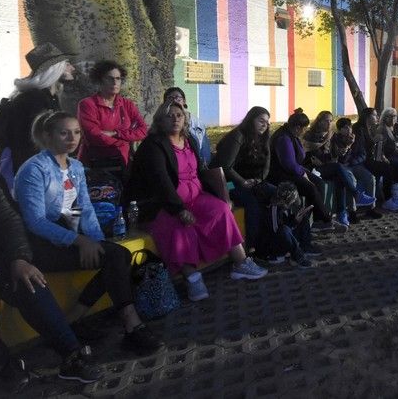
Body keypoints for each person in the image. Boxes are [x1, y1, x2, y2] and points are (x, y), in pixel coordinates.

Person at [14, 111, 163, 351]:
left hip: (69, 237)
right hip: (39, 244)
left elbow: (85, 209)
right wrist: (80, 241)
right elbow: (35, 221)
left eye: (76, 133)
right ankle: (131, 325)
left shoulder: (75, 166)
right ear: (47, 136)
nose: (72, 138)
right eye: (64, 133)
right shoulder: (34, 170)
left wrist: (96, 242)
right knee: (116, 257)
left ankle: (77, 318)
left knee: (117, 255)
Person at [0, 156, 102, 390]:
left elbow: (8, 219)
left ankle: (71, 355)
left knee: (28, 278)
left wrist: (19, 258)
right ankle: (3, 365)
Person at [126, 101, 267, 303]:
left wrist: (223, 196)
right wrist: (179, 209)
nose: (175, 119)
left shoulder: (189, 139)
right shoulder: (153, 145)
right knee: (180, 225)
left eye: (179, 115)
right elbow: (161, 182)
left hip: (194, 197)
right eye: (169, 116)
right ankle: (192, 278)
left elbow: (202, 171)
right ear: (159, 120)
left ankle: (241, 262)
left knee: (220, 210)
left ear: (185, 119)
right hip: (161, 203)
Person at [0, 42, 76, 191]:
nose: (72, 68)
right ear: (55, 68)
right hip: (30, 174)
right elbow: (32, 143)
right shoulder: (32, 99)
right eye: (67, 64)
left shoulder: (48, 97)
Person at [211, 106, 275, 256]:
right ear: (250, 120)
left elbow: (267, 165)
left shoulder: (263, 138)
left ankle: (274, 238)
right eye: (261, 121)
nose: (264, 125)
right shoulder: (238, 136)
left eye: (267, 122)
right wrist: (242, 182)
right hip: (229, 183)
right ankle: (251, 247)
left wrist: (259, 179)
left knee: (278, 194)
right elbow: (226, 167)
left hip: (253, 181)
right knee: (251, 202)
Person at [267, 109, 342, 233]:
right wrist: (303, 174)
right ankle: (326, 220)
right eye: (303, 128)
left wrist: (305, 172)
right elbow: (289, 164)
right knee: (310, 188)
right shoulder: (284, 138)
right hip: (281, 175)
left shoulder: (292, 135)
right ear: (297, 128)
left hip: (293, 170)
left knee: (319, 183)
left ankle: (318, 220)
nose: (303, 132)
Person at [303, 111, 376, 226]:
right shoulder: (310, 136)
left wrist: (345, 149)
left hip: (327, 166)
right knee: (338, 167)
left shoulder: (330, 136)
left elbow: (333, 156)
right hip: (313, 169)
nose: (329, 123)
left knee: (339, 178)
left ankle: (342, 213)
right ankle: (356, 195)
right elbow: (312, 157)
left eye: (331, 121)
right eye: (326, 121)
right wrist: (327, 159)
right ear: (319, 121)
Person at [77, 60, 147, 170]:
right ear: (100, 81)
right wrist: (123, 143)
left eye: (118, 78)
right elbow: (93, 136)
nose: (115, 82)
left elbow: (143, 130)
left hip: (122, 162)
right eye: (109, 78)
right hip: (94, 164)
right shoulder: (87, 104)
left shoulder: (127, 104)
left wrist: (115, 133)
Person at [256, 182, 318, 269]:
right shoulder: (273, 210)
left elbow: (287, 222)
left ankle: (305, 246)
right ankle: (297, 256)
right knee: (285, 230)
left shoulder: (285, 208)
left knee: (303, 218)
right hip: (272, 250)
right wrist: (295, 222)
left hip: (283, 242)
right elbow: (277, 232)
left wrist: (297, 218)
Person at [332, 116, 379, 222]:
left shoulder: (355, 138)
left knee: (370, 178)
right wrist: (348, 146)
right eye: (345, 128)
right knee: (352, 181)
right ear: (339, 130)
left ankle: (371, 208)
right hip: (344, 166)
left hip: (354, 165)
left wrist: (353, 161)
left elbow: (363, 154)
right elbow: (341, 159)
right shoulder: (336, 140)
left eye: (350, 127)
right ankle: (352, 212)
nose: (349, 130)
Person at [353, 107, 396, 212]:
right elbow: (360, 147)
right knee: (387, 169)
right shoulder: (358, 128)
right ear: (367, 117)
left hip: (371, 158)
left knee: (389, 166)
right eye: (374, 115)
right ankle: (387, 198)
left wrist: (382, 156)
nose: (377, 117)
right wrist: (373, 140)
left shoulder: (371, 128)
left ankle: (381, 196)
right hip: (361, 160)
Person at [163, 87, 211, 166]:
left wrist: (205, 165)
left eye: (178, 98)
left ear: (184, 101)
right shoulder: (163, 123)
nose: (174, 101)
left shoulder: (198, 123)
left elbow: (204, 148)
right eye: (170, 98)